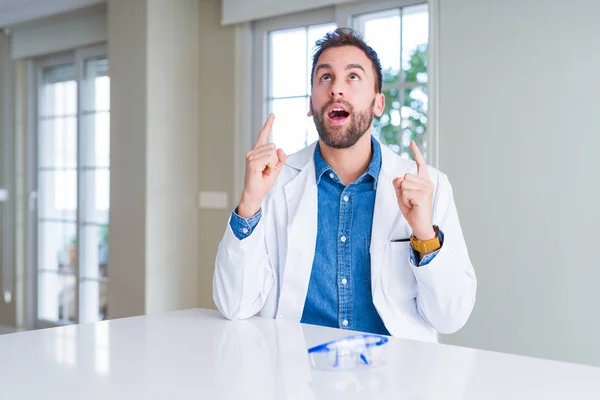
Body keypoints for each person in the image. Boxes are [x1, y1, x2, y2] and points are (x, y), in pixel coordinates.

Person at [213, 28, 476, 342]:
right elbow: (234, 304)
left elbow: (450, 317)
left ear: (378, 103)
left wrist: (425, 236)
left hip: (395, 378)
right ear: (311, 103)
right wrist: (250, 202)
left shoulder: (429, 187)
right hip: (296, 373)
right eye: (325, 77)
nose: (336, 88)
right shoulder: (274, 182)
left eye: (353, 77)